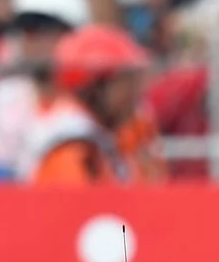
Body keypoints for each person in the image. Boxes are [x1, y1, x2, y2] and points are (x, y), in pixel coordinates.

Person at [0, 0, 89, 182]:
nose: (34, 39)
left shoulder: (95, 100)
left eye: (46, 28)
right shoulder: (6, 98)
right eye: (27, 28)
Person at [21, 23, 160, 184]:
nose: (135, 91)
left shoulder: (112, 136)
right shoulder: (70, 150)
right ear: (97, 87)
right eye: (127, 79)